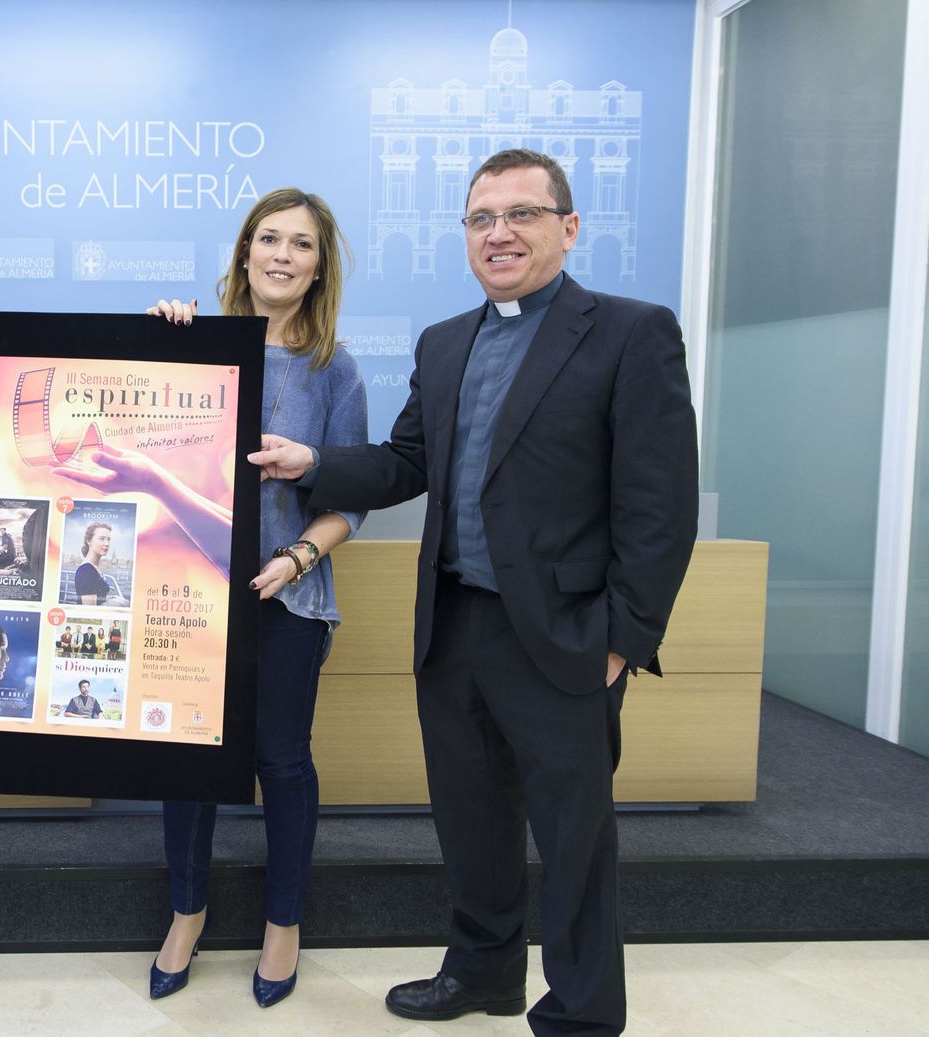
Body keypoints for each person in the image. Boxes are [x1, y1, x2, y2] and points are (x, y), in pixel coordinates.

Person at [251, 150, 698, 1035]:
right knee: (471, 818)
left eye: (522, 214)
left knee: (573, 838)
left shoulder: (631, 333)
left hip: (566, 636)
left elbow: (661, 505)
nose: (500, 233)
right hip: (455, 626)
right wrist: (314, 462)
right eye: (481, 218)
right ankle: (484, 972)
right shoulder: (445, 340)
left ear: (569, 227)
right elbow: (406, 463)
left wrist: (623, 639)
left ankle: (581, 1013)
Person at [144, 187, 367, 1008]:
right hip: (189, 591)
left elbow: (351, 498)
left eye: (301, 244)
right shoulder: (195, 343)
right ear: (245, 252)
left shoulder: (336, 369)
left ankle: (283, 925)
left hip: (287, 599)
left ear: (319, 266)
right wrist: (155, 338)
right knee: (187, 759)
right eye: (269, 238)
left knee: (281, 760)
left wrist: (300, 557)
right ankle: (187, 913)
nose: (282, 254)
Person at [70, 522, 115, 605]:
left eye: (108, 539)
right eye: (102, 539)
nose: (107, 543)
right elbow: (90, 609)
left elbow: (95, 596)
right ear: (89, 541)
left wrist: (107, 598)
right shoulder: (87, 571)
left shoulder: (93, 567)